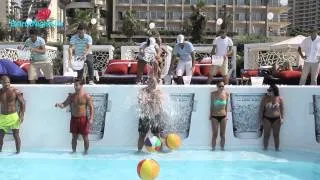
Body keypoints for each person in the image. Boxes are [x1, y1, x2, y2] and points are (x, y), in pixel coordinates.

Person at [55, 79, 94, 155]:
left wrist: (91, 118)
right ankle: (73, 151)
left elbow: (91, 107)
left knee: (85, 137)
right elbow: (64, 104)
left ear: (81, 85)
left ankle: (86, 152)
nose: (75, 87)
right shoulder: (71, 96)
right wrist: (59, 104)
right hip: (74, 119)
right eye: (74, 85)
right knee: (74, 137)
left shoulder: (86, 96)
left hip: (83, 119)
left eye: (77, 85)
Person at [137, 76, 164, 152]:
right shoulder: (143, 91)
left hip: (155, 115)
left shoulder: (158, 92)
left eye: (153, 82)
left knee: (157, 135)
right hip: (145, 116)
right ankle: (139, 151)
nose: (152, 84)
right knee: (142, 135)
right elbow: (141, 101)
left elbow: (161, 102)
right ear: (147, 83)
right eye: (150, 82)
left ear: (156, 83)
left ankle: (160, 151)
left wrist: (150, 100)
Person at [0, 76, 25, 154]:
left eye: (8, 82)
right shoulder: (0, 92)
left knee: (16, 135)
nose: (7, 84)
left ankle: (18, 152)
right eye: (5, 82)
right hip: (3, 117)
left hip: (13, 116)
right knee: (0, 136)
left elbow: (22, 103)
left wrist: (22, 115)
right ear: (1, 83)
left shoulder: (15, 91)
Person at [261, 84, 284, 151]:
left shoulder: (279, 99)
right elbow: (261, 109)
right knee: (266, 135)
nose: (269, 92)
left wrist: (282, 118)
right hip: (267, 118)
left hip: (276, 119)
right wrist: (260, 119)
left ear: (274, 91)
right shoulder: (265, 98)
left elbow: (282, 109)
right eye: (268, 90)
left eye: (270, 90)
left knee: (276, 135)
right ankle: (265, 149)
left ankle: (277, 149)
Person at [210, 81, 229, 151]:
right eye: (220, 86)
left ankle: (222, 149)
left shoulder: (227, 94)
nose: (221, 87)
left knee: (222, 134)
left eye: (222, 86)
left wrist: (226, 116)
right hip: (214, 116)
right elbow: (211, 105)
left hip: (223, 116)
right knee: (215, 134)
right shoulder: (213, 94)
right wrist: (210, 115)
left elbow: (226, 106)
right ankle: (213, 149)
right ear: (217, 86)